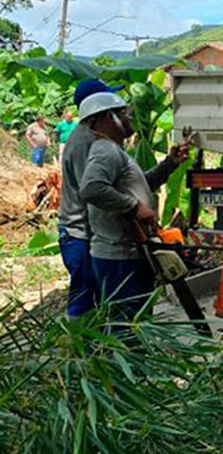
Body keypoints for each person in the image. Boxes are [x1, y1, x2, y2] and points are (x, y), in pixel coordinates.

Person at [78, 92, 189, 321]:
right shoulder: (105, 150)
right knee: (127, 327)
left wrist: (169, 164)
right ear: (108, 118)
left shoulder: (115, 150)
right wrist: (134, 207)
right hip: (119, 257)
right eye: (123, 114)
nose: (128, 118)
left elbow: (139, 186)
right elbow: (91, 188)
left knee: (135, 324)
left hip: (129, 254)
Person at [56, 79, 124, 318]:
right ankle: (77, 350)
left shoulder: (92, 138)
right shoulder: (87, 142)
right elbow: (94, 189)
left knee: (92, 296)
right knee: (84, 299)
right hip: (79, 233)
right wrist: (133, 207)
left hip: (82, 232)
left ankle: (86, 348)